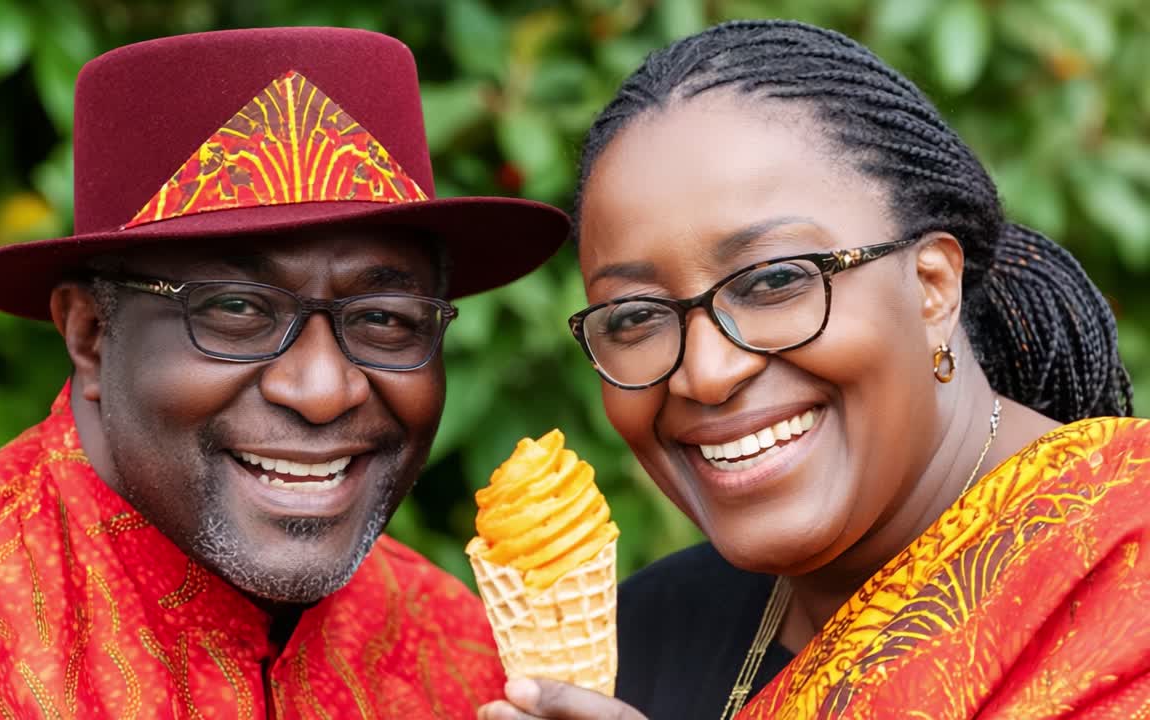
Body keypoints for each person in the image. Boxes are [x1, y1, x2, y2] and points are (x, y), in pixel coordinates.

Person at [0, 27, 569, 718]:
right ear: (89, 334)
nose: (324, 391)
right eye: (237, 309)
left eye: (383, 317)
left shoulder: (465, 656)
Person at [479, 19, 1150, 720]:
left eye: (774, 283)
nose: (706, 374)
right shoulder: (641, 639)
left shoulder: (1121, 571)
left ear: (931, 287)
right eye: (636, 318)